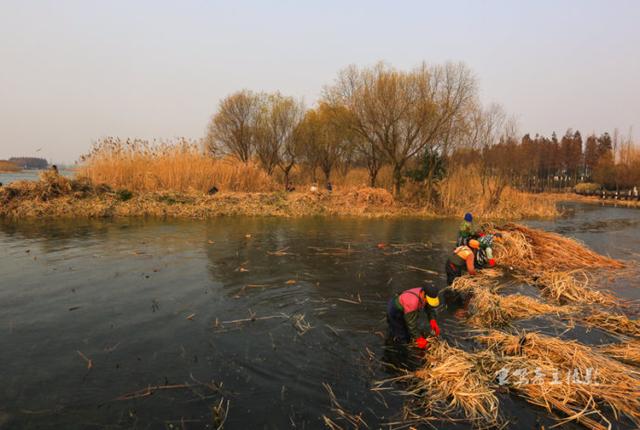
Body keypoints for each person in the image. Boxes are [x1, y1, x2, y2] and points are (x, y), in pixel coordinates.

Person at [387, 284, 441, 349]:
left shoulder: (426, 292)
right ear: (423, 294)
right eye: (428, 300)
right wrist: (419, 338)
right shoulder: (412, 303)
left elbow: (429, 307)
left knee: (408, 332)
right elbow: (411, 324)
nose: (428, 302)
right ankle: (399, 349)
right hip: (395, 310)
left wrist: (432, 320)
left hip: (405, 306)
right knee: (402, 336)